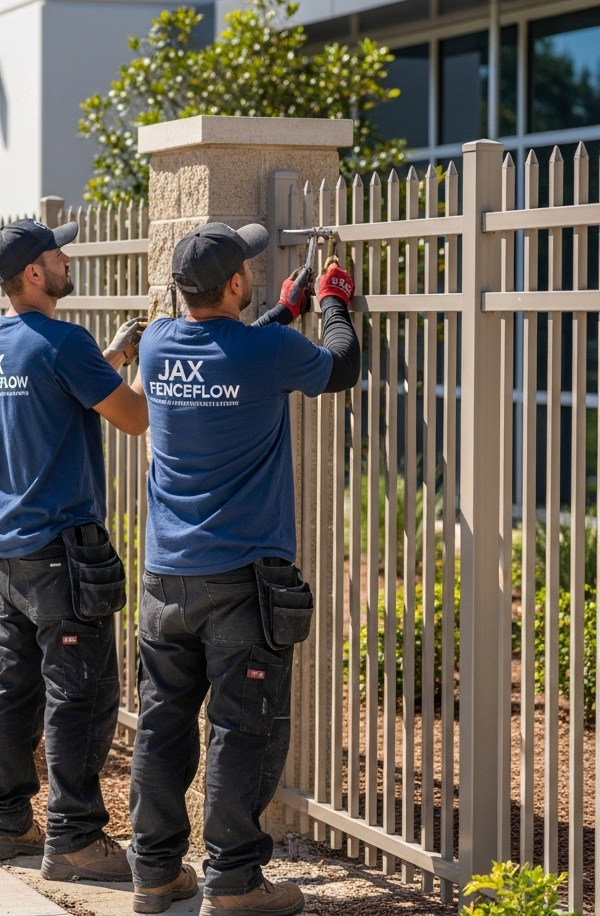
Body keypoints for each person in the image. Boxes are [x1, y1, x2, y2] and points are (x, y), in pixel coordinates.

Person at [128, 222, 360, 916]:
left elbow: (221, 353)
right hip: (240, 583)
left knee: (163, 724)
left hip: (165, 578)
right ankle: (232, 884)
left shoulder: (160, 341)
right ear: (234, 285)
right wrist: (331, 301)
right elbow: (342, 366)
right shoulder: (268, 351)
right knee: (240, 727)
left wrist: (282, 311)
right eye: (247, 271)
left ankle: (156, 874)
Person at [0, 216, 149, 884]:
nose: (69, 256)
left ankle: (6, 823)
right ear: (34, 274)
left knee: (15, 691)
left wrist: (109, 359)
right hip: (63, 551)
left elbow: (51, 388)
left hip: (11, 547)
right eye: (58, 252)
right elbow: (132, 420)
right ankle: (75, 839)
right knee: (83, 696)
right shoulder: (63, 342)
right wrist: (155, 362)